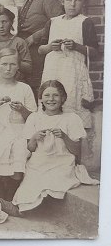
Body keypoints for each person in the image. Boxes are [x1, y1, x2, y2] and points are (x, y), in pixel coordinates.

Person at [13, 81, 99, 213]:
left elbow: (76, 151)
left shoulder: (71, 118)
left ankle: (43, 206)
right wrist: (35, 137)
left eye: (56, 95)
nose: (51, 99)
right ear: (41, 98)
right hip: (38, 163)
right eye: (47, 95)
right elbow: (30, 149)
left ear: (63, 98)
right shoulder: (34, 118)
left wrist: (64, 136)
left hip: (62, 163)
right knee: (29, 189)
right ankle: (29, 208)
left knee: (54, 183)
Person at [0, 48, 37, 201]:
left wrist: (23, 110)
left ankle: (11, 195)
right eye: (4, 64)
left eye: (12, 64)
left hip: (19, 129)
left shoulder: (24, 88)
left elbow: (34, 120)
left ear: (18, 66)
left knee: (19, 148)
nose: (8, 68)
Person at [38, 0, 98, 128]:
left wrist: (76, 46)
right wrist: (50, 47)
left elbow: (95, 52)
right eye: (69, 0)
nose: (72, 4)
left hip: (73, 71)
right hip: (53, 70)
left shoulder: (85, 22)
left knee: (71, 101)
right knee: (51, 99)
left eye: (77, 0)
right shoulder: (52, 22)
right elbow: (40, 49)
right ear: (62, 1)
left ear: (83, 3)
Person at [13, 0, 63, 99]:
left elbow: (59, 23)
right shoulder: (28, 1)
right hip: (27, 54)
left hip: (40, 53)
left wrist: (34, 37)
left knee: (38, 88)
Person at [0, 7, 32, 80]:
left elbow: (29, 68)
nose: (1, 26)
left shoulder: (19, 42)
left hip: (17, 82)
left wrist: (13, 60)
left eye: (4, 22)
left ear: (11, 22)